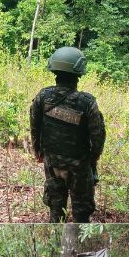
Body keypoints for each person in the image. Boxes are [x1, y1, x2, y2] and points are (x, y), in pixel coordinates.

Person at [30, 46, 106, 223]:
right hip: (79, 165)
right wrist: (93, 158)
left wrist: (38, 151)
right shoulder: (87, 102)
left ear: (54, 69)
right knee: (81, 213)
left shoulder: (43, 96)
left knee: (56, 211)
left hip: (52, 162)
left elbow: (35, 126)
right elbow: (98, 135)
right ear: (78, 73)